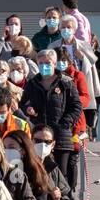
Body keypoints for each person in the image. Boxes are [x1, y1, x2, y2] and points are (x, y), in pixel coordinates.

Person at [22, 48, 83, 190]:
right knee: (39, 170)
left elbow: (76, 106)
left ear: (55, 63)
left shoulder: (66, 82)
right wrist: (28, 109)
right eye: (41, 63)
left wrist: (66, 122)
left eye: (48, 62)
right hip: (39, 135)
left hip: (61, 136)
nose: (44, 65)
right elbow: (22, 103)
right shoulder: (32, 82)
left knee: (60, 173)